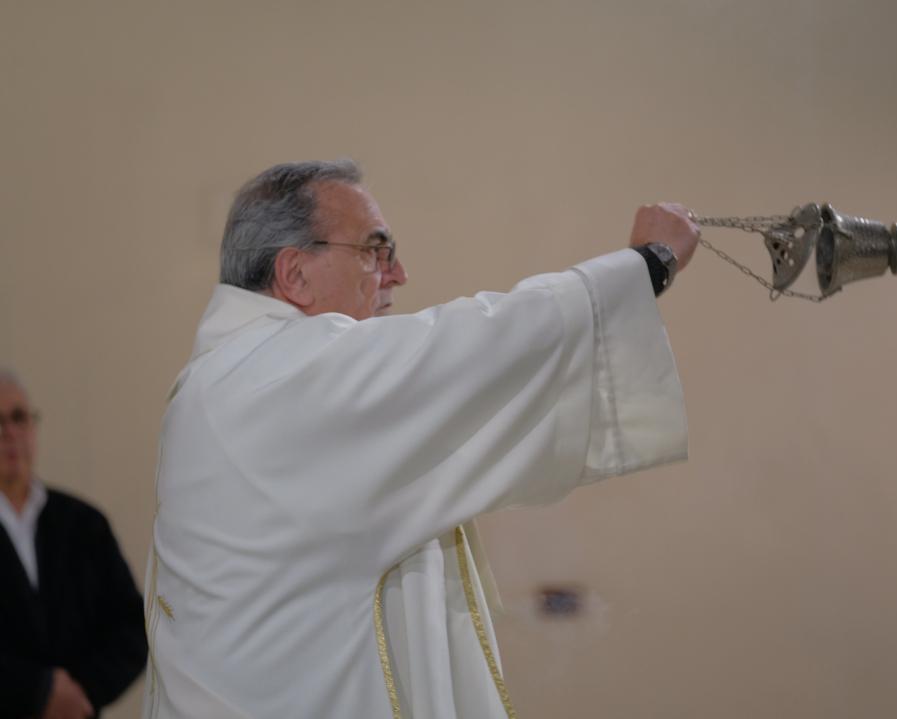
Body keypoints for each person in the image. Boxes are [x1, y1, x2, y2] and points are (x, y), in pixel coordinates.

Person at [144, 159, 699, 719]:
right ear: (295, 274)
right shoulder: (284, 376)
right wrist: (647, 263)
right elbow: (477, 345)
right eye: (375, 250)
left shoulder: (224, 379)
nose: (397, 274)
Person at [0, 370, 148, 719]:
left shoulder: (83, 523)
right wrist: (36, 692)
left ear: (33, 426)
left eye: (19, 417)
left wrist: (81, 692)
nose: (9, 433)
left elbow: (132, 629)